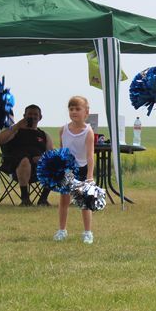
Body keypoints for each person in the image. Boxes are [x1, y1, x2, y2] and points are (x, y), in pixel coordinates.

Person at [53, 96, 96, 244]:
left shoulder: (88, 131)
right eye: (71, 109)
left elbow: (90, 156)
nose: (74, 112)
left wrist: (90, 176)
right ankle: (62, 230)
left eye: (78, 109)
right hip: (67, 170)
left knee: (84, 202)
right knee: (64, 199)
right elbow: (61, 150)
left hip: (82, 168)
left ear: (86, 112)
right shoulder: (63, 130)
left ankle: (87, 232)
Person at [0, 104, 54, 206]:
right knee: (24, 160)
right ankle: (25, 198)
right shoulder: (15, 131)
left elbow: (51, 155)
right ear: (24, 116)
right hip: (15, 166)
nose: (32, 116)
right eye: (29, 114)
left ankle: (43, 199)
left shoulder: (44, 135)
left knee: (55, 164)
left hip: (38, 169)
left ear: (40, 117)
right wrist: (17, 126)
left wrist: (42, 159)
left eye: (35, 114)